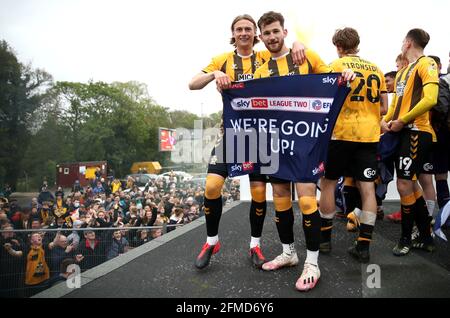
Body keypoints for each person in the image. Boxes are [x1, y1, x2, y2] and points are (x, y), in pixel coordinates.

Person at [189, 13, 307, 270]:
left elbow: (287, 53)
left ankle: (255, 245)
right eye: (239, 29)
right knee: (211, 186)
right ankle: (212, 242)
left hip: (263, 136)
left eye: (248, 29)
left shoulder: (265, 56)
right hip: (231, 133)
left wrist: (299, 44)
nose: (243, 33)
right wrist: (215, 74)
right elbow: (192, 84)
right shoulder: (223, 59)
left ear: (256, 34)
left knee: (258, 195)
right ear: (233, 33)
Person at [253, 12, 355, 292]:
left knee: (307, 198)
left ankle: (312, 263)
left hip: (305, 144)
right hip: (276, 144)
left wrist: (344, 75)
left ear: (284, 32)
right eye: (267, 33)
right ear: (261, 38)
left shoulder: (306, 56)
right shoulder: (262, 72)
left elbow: (332, 81)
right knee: (281, 198)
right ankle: (289, 253)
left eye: (276, 31)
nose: (271, 37)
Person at [319, 28, 388, 265]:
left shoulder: (333, 66)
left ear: (338, 46)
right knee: (367, 189)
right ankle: (363, 246)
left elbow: (323, 101)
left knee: (328, 184)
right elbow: (384, 109)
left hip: (340, 134)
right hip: (369, 135)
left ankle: (324, 239)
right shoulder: (377, 70)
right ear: (357, 44)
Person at [381, 28, 439, 255]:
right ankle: (425, 237)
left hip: (417, 131)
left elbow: (431, 99)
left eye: (402, 41)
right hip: (402, 132)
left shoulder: (427, 64)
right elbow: (396, 104)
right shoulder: (404, 71)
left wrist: (403, 120)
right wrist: (384, 122)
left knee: (405, 184)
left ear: (407, 43)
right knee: (410, 184)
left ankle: (406, 239)